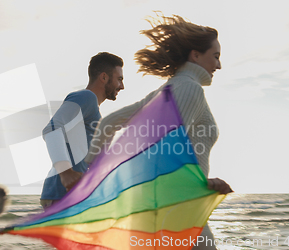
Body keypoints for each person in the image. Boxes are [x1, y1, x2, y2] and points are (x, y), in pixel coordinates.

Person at [84, 14, 232, 250]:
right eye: (215, 56)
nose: (219, 65)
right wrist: (205, 183)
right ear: (195, 55)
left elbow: (110, 122)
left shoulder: (168, 88)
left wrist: (91, 168)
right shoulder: (189, 88)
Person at [40, 52, 124, 209]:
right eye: (119, 79)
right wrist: (66, 173)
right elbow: (52, 129)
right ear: (104, 77)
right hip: (63, 194)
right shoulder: (86, 97)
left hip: (74, 195)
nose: (122, 86)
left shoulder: (93, 111)